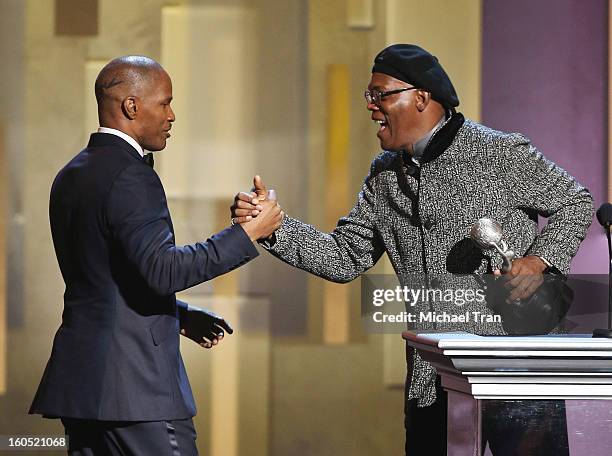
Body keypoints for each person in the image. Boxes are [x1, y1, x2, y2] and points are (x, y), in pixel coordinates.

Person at [231, 44, 594, 455]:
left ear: (421, 96)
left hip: (515, 369)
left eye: (380, 94)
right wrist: (273, 226)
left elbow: (575, 201)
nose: (370, 106)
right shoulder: (384, 175)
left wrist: (539, 260)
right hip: (432, 378)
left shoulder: (498, 152)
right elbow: (345, 256)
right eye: (369, 96)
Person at [29, 56, 283, 456]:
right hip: (136, 391)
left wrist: (178, 315)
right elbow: (162, 271)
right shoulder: (131, 175)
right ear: (132, 106)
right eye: (164, 103)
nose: (172, 115)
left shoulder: (71, 174)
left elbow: (107, 280)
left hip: (83, 390)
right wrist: (246, 233)